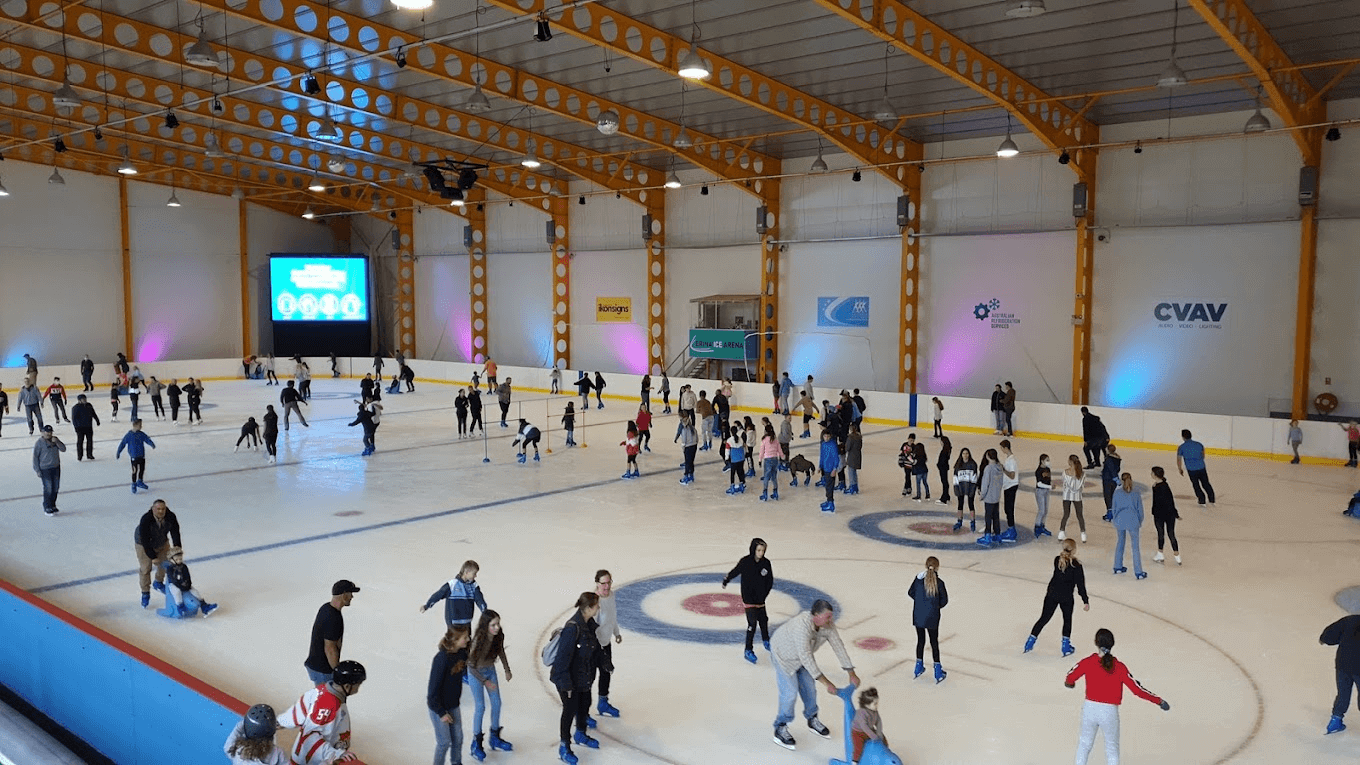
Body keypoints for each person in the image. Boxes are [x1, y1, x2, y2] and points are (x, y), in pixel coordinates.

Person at [1065, 629, 1170, 765]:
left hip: (1089, 708)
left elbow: (1070, 676)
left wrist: (1070, 683)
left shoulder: (1088, 662)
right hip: (1109, 712)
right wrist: (1158, 701)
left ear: (1096, 642)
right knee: (1111, 749)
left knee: (1084, 745)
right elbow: (1137, 690)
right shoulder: (1119, 667)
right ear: (1112, 644)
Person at [768, 599, 859, 751]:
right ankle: (780, 727)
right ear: (815, 615)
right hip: (783, 656)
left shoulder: (827, 625)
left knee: (810, 689)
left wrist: (851, 672)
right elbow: (806, 658)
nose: (831, 620)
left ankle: (812, 719)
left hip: (802, 657)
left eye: (831, 616)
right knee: (790, 693)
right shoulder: (801, 627)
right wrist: (827, 683)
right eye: (827, 617)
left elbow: (838, 646)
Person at [550, 592, 609, 764]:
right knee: (569, 711)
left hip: (583, 678)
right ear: (589, 608)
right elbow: (561, 661)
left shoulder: (589, 624)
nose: (599, 608)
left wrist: (605, 662)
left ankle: (580, 734)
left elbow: (596, 648)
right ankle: (564, 747)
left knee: (584, 705)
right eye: (596, 605)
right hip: (567, 680)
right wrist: (567, 685)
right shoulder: (572, 628)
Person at [279, 660, 366, 764]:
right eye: (358, 685)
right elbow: (311, 738)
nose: (358, 688)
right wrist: (336, 754)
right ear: (347, 686)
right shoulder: (330, 706)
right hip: (312, 761)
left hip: (304, 756)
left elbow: (297, 713)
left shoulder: (320, 690)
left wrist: (279, 722)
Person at [1024, 538, 1089, 657]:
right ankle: (1065, 646)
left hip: (1052, 594)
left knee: (1044, 618)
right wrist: (1085, 600)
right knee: (1067, 620)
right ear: (1074, 550)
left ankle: (1030, 641)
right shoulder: (1077, 566)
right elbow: (1080, 585)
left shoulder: (1057, 560)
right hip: (1066, 597)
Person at [467, 610, 514, 759]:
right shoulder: (477, 642)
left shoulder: (498, 637)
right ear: (485, 625)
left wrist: (507, 670)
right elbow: (471, 667)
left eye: (498, 624)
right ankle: (476, 743)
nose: (497, 627)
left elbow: (500, 651)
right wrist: (485, 681)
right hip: (476, 675)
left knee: (497, 703)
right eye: (493, 625)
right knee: (480, 707)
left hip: (490, 670)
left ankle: (494, 737)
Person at [723, 538, 773, 664]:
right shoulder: (745, 562)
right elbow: (735, 571)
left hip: (760, 598)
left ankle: (766, 640)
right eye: (759, 550)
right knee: (752, 624)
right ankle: (748, 649)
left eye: (763, 550)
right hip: (749, 598)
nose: (761, 553)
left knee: (763, 619)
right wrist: (727, 579)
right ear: (753, 549)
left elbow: (769, 581)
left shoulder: (766, 563)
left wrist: (764, 594)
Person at [427, 625, 470, 765]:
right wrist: (441, 713)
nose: (468, 640)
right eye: (465, 638)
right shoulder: (441, 659)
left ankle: (456, 762)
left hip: (453, 705)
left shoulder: (462, 654)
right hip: (438, 707)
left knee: (458, 738)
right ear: (455, 640)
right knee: (444, 742)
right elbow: (432, 693)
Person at [305, 581, 360, 684]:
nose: (352, 597)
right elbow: (330, 648)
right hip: (323, 671)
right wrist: (337, 672)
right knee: (328, 699)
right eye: (350, 593)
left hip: (315, 665)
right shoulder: (334, 618)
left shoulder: (325, 608)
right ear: (344, 595)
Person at [908, 556, 949, 683]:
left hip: (918, 615)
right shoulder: (939, 583)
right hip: (932, 617)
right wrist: (934, 607)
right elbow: (944, 601)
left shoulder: (919, 580)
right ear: (937, 567)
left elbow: (911, 593)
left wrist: (921, 602)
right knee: (934, 643)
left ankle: (918, 666)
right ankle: (937, 671)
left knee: (920, 641)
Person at [135, 499, 181, 608]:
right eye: (158, 509)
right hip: (143, 544)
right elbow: (145, 540)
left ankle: (158, 582)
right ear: (153, 509)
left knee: (167, 562)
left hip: (161, 541)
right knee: (146, 568)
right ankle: (145, 593)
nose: (161, 511)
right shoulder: (146, 519)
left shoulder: (170, 516)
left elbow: (175, 532)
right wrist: (152, 556)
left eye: (163, 509)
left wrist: (177, 548)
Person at [1320, 612, 1360, 735]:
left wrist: (1324, 639)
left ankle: (1335, 721)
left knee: (1343, 694)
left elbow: (1329, 635)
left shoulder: (1350, 620)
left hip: (1343, 664)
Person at [421, 560, 488, 629]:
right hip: (453, 623)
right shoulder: (452, 584)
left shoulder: (474, 586)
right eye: (474, 573)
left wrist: (485, 612)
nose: (475, 576)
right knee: (453, 640)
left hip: (467, 622)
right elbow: (438, 595)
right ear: (466, 572)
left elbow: (480, 600)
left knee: (467, 639)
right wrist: (427, 606)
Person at [593, 571, 623, 721]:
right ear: (597, 583)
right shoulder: (594, 601)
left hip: (606, 643)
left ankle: (603, 703)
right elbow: (590, 626)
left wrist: (616, 633)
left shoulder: (611, 596)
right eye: (603, 583)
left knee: (606, 673)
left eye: (609, 582)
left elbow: (612, 616)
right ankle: (582, 712)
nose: (607, 586)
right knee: (589, 677)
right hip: (594, 646)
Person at [160, 547, 218, 616]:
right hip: (174, 584)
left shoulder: (184, 566)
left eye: (180, 559)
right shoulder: (170, 568)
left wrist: (188, 585)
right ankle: (180, 606)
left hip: (184, 583)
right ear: (172, 560)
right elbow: (173, 580)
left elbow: (187, 576)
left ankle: (204, 606)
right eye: (176, 559)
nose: (179, 561)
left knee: (195, 592)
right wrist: (180, 586)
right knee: (176, 592)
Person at [1110, 473, 1147, 579]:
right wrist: (1139, 521)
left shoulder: (1117, 493)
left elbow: (1114, 508)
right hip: (1133, 521)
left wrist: (1116, 520)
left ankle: (1117, 566)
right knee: (1135, 547)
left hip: (1120, 520)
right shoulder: (1136, 493)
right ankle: (1138, 572)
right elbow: (1140, 509)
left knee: (1120, 542)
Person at [1150, 466, 1181, 565]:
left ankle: (1161, 553)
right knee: (1171, 534)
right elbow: (1170, 500)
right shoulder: (1164, 485)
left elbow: (1164, 501)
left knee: (1161, 534)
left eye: (1152, 473)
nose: (1151, 474)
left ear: (1155, 475)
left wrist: (1154, 511)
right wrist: (1175, 513)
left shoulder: (1158, 487)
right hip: (1169, 514)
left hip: (1160, 514)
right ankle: (1177, 556)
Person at [1176, 429, 1215, 505]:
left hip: (1191, 470)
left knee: (1196, 485)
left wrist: (1180, 469)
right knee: (1206, 483)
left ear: (1183, 437)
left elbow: (1179, 460)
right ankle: (1211, 498)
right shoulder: (1199, 444)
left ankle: (1201, 499)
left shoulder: (1181, 447)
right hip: (1201, 467)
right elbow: (1203, 456)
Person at [850, 687, 889, 765]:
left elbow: (878, 721)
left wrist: (879, 732)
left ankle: (885, 751)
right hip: (858, 732)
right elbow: (864, 726)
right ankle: (854, 761)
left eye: (877, 703)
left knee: (883, 738)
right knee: (858, 747)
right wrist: (872, 735)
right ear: (866, 704)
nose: (877, 705)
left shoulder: (875, 711)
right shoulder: (861, 713)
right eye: (875, 703)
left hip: (870, 729)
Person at [116, 419, 156, 494]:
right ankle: (134, 483)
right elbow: (122, 444)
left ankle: (140, 481)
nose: (141, 426)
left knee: (142, 469)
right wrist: (118, 452)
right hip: (134, 456)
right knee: (135, 471)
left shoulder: (141, 434)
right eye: (140, 425)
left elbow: (147, 439)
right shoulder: (129, 435)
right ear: (135, 425)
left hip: (141, 455)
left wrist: (152, 444)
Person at [33, 426, 65, 516]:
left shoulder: (55, 440)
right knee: (48, 488)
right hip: (45, 468)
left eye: (50, 432)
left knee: (55, 487)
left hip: (56, 467)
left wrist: (57, 442)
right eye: (47, 432)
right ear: (42, 432)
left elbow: (63, 449)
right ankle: (47, 506)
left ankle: (53, 505)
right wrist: (37, 470)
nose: (49, 434)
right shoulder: (39, 443)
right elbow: (35, 457)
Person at [976, 448, 1003, 546]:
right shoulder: (999, 467)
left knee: (988, 517)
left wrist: (982, 495)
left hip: (989, 497)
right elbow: (1000, 482)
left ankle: (987, 536)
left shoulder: (988, 468)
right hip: (996, 497)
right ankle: (997, 535)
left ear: (987, 456)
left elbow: (985, 484)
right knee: (996, 516)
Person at [1061, 455, 1088, 543]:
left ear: (1070, 462)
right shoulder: (1082, 474)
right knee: (1080, 516)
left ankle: (1061, 532)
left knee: (1066, 514)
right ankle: (1083, 534)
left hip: (1066, 496)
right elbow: (1082, 486)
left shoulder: (1065, 473)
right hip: (1077, 496)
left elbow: (1064, 485)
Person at [998, 439, 1020, 542]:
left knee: (1009, 509)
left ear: (1006, 448)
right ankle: (1011, 528)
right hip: (1009, 486)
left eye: (1002, 448)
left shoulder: (1011, 460)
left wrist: (1003, 469)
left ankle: (1012, 531)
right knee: (1008, 509)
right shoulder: (1009, 459)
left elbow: (1012, 475)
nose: (1001, 450)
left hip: (1011, 486)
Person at [952, 447, 978, 532]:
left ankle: (972, 521)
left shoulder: (973, 464)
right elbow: (955, 477)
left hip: (970, 487)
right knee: (960, 504)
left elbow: (974, 477)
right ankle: (959, 521)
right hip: (961, 487)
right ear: (961, 455)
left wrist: (973, 488)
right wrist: (956, 488)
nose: (965, 455)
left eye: (967, 453)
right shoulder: (958, 465)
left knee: (971, 504)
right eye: (963, 453)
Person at [70, 393, 100, 461]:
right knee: (80, 441)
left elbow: (93, 413)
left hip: (88, 426)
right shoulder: (76, 407)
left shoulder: (89, 405)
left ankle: (89, 454)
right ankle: (80, 455)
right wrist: (76, 427)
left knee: (90, 441)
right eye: (83, 399)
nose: (84, 400)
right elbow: (74, 418)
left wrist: (97, 420)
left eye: (85, 399)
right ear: (79, 400)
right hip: (80, 427)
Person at [758, 423, 782, 501]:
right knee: (774, 477)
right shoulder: (775, 440)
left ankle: (765, 494)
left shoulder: (764, 440)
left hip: (768, 460)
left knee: (766, 477)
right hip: (775, 459)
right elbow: (779, 450)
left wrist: (760, 460)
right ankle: (775, 493)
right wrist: (782, 456)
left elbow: (762, 451)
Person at [818, 429, 840, 513]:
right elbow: (822, 456)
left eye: (827, 436)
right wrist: (820, 466)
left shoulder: (833, 445)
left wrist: (834, 469)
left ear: (830, 436)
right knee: (827, 486)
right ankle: (828, 500)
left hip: (831, 469)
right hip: (825, 468)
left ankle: (831, 503)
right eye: (825, 436)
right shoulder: (823, 445)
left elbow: (836, 458)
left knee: (830, 487)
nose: (826, 438)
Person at [1034, 453, 1054, 537]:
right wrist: (1049, 486)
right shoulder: (1038, 471)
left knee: (1045, 510)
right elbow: (1039, 484)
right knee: (1041, 510)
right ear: (1042, 461)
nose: (1048, 462)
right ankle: (1037, 527)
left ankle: (1042, 526)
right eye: (1047, 460)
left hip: (1046, 491)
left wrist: (1050, 484)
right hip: (1040, 491)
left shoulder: (1048, 469)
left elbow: (1049, 479)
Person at [1100, 443, 1122, 519]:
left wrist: (1114, 477)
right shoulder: (1117, 458)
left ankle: (1110, 514)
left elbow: (1111, 469)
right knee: (1112, 496)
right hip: (1113, 480)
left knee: (1107, 496)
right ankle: (1113, 512)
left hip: (1108, 479)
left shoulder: (1109, 459)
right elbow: (1117, 469)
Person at [677, 413, 698, 484]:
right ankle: (691, 475)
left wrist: (683, 448)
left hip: (688, 447)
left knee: (687, 462)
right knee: (691, 461)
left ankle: (686, 476)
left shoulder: (685, 429)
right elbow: (697, 438)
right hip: (694, 446)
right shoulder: (693, 428)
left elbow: (684, 441)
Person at [843, 423, 862, 495]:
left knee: (851, 472)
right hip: (858, 455)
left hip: (851, 456)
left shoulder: (850, 437)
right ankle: (855, 487)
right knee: (854, 472)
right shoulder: (859, 437)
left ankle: (852, 486)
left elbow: (847, 447)